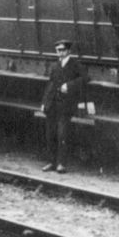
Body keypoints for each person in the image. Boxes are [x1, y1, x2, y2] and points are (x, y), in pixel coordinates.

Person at [41, 39, 85, 173]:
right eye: (57, 50)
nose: (60, 52)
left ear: (68, 51)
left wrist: (69, 86)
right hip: (52, 105)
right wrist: (44, 103)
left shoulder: (75, 65)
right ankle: (51, 162)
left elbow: (85, 78)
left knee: (62, 135)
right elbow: (50, 85)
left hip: (65, 106)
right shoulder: (55, 66)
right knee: (50, 134)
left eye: (62, 50)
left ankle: (61, 164)